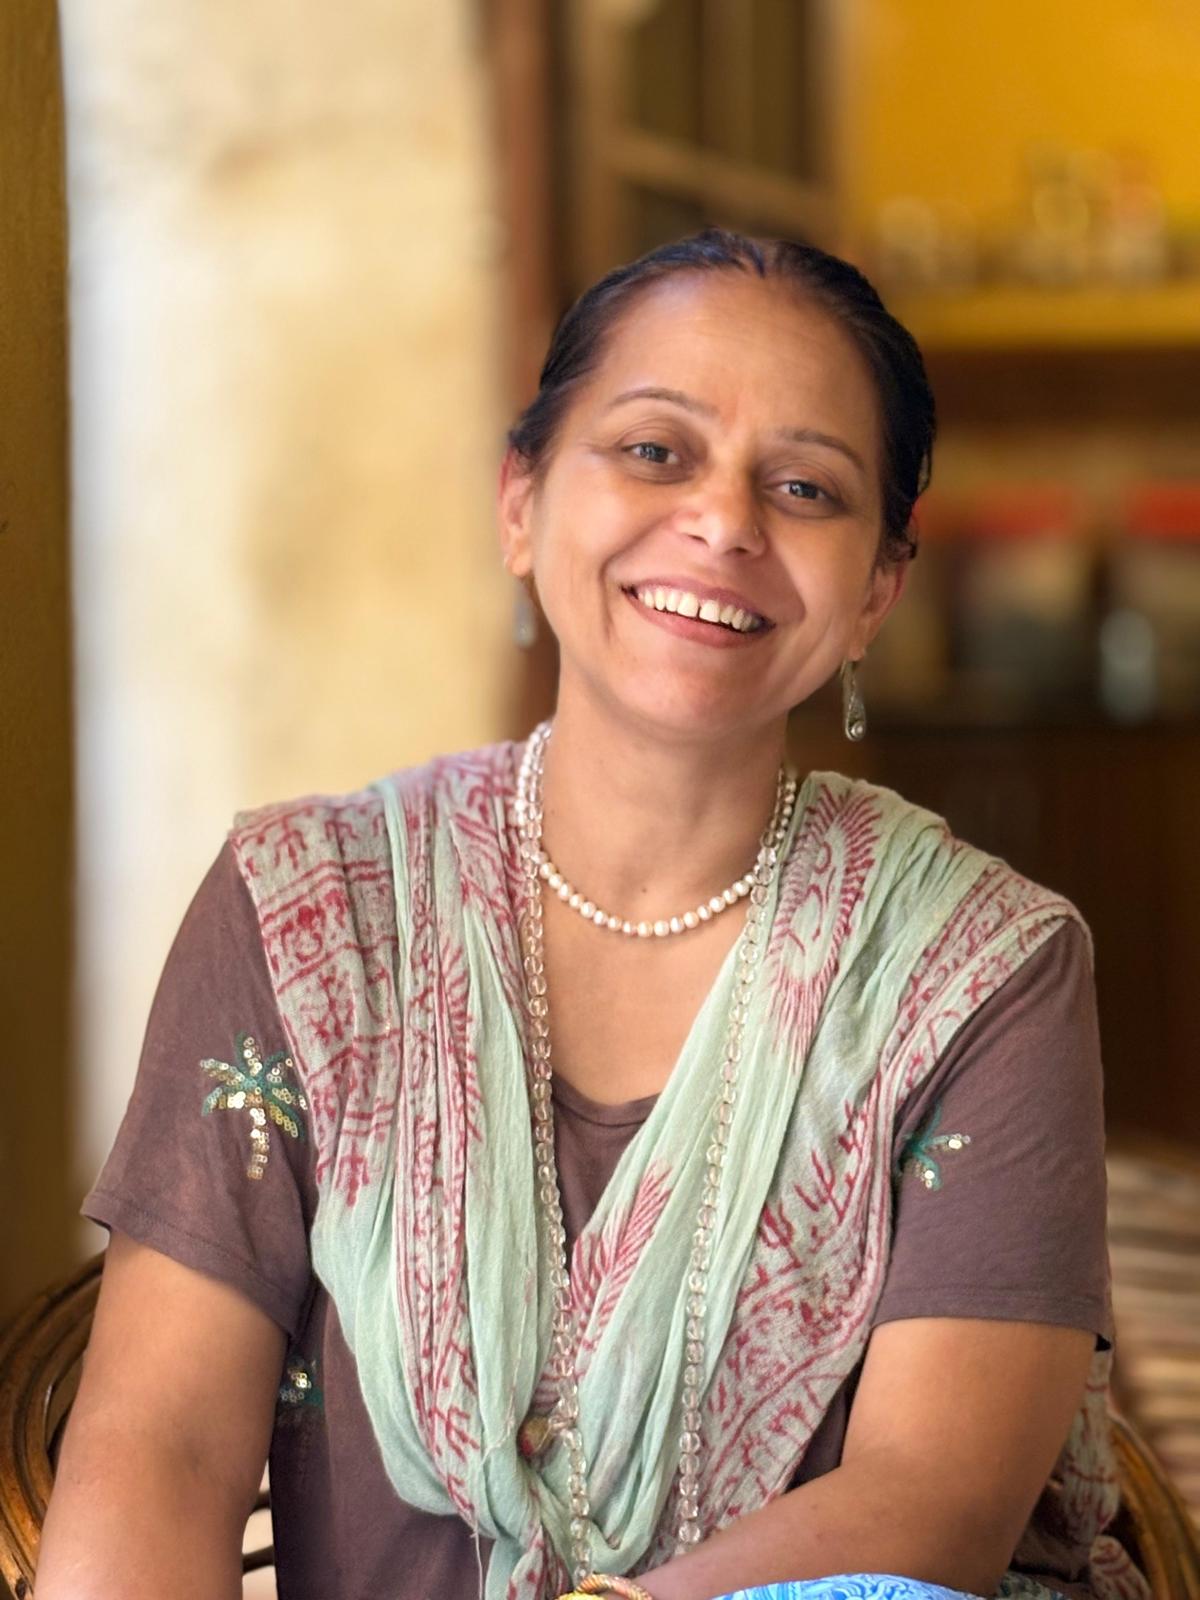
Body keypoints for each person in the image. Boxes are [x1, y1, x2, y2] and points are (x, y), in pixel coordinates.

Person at [36, 231, 1149, 1600]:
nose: (726, 523)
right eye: (654, 452)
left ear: (875, 594)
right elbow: (161, 1447)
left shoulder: (984, 970)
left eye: (805, 486)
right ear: (520, 503)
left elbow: (931, 1509)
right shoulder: (308, 912)